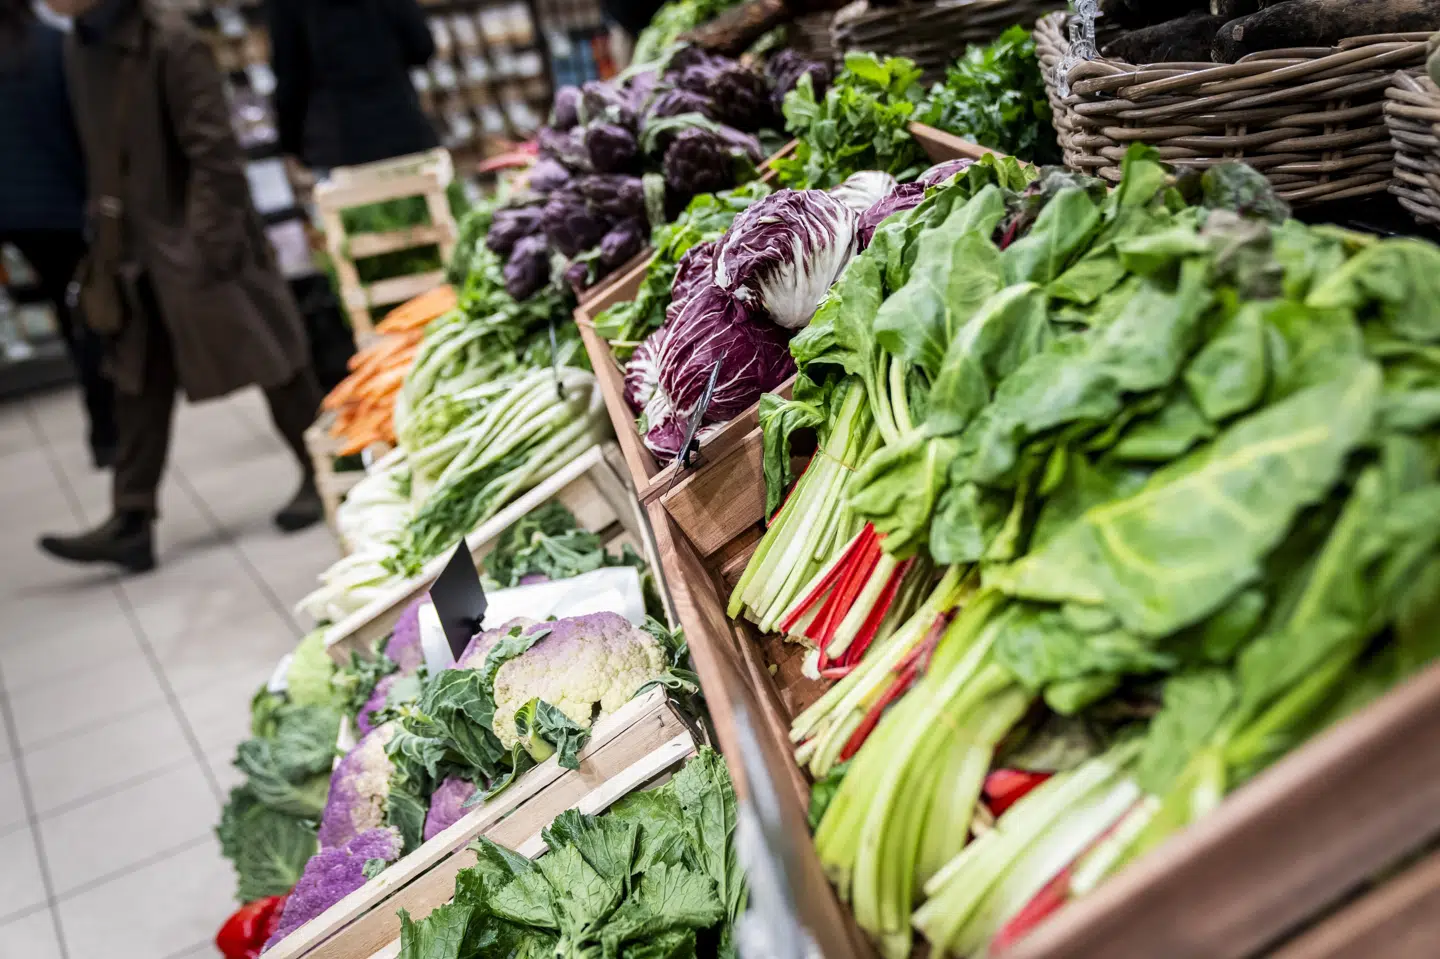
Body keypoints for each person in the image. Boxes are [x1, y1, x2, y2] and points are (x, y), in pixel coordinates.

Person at [37, 0, 324, 574]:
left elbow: (214, 152)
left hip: (198, 244)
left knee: (271, 358)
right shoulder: (80, 42)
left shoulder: (170, 40)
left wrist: (211, 243)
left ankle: (328, 470)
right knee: (135, 376)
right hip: (133, 249)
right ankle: (131, 519)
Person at [0, 0, 116, 467]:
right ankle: (106, 426)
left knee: (65, 311)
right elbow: (80, 127)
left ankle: (108, 427)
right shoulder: (52, 48)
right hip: (59, 205)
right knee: (86, 317)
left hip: (16, 212)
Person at [266, 0, 437, 172]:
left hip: (336, 142)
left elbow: (290, 79)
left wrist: (291, 145)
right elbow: (422, 47)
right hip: (402, 126)